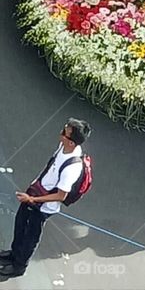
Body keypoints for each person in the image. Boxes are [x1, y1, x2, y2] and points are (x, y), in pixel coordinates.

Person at [0, 119, 91, 278]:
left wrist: (33, 200)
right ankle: (14, 254)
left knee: (31, 235)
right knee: (21, 224)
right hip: (34, 194)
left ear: (71, 142)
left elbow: (61, 195)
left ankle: (19, 266)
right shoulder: (64, 147)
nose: (61, 133)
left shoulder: (72, 167)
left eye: (65, 132)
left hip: (42, 205)